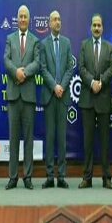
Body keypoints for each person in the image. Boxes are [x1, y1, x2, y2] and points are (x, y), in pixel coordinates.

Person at [4, 5, 40, 190]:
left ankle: (27, 177)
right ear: (17, 19)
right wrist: (15, 72)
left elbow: (37, 62)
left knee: (28, 139)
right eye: (21, 16)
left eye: (26, 16)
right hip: (13, 96)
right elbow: (6, 60)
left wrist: (23, 73)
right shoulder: (10, 38)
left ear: (29, 19)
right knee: (13, 139)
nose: (23, 19)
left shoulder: (35, 40)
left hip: (28, 96)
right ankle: (12, 177)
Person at [78, 13, 112, 189]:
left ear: (103, 28)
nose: (96, 28)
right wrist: (91, 82)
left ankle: (106, 177)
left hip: (103, 99)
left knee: (105, 142)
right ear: (90, 27)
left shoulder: (109, 47)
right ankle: (87, 178)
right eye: (94, 25)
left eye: (99, 25)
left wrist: (100, 82)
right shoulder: (84, 45)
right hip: (87, 99)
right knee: (87, 142)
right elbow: (81, 68)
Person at [40, 10, 73, 189]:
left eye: (59, 19)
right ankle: (49, 176)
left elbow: (69, 68)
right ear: (49, 23)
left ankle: (61, 176)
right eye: (54, 19)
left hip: (63, 96)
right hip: (49, 96)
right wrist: (54, 86)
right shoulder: (43, 44)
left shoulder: (67, 42)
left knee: (61, 138)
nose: (58, 22)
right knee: (50, 137)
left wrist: (62, 87)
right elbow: (43, 68)